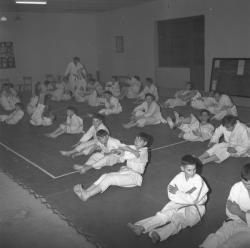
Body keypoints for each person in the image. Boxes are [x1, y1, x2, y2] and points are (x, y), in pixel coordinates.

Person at [128, 155, 208, 243]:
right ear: (182, 168)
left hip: (196, 207)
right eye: (189, 170)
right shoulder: (179, 177)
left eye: (194, 169)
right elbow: (170, 191)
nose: (192, 172)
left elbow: (192, 200)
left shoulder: (198, 180)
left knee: (179, 219)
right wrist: (179, 196)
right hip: (180, 202)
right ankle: (142, 227)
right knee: (165, 214)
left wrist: (178, 193)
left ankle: (159, 234)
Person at [73, 132, 149, 201]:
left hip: (134, 177)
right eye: (136, 139)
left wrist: (119, 151)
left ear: (145, 143)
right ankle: (86, 191)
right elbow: (123, 147)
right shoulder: (134, 148)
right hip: (127, 172)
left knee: (110, 178)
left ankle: (87, 195)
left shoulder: (143, 152)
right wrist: (120, 149)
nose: (136, 142)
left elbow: (128, 155)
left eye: (139, 141)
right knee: (105, 175)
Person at [200, 163, 250, 248]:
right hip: (233, 221)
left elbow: (235, 210)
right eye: (246, 184)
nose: (248, 187)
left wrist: (240, 212)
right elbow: (229, 211)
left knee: (231, 244)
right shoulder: (237, 187)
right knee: (215, 239)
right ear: (241, 179)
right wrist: (245, 214)